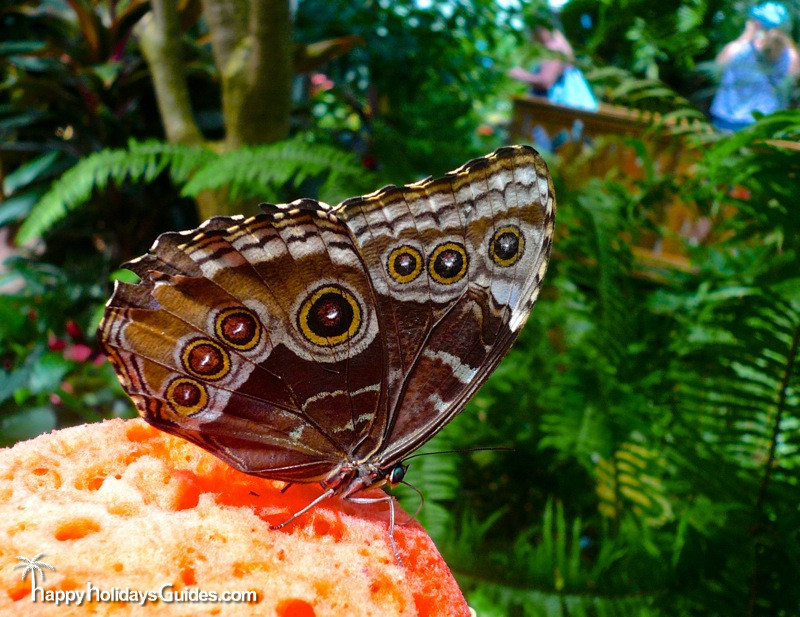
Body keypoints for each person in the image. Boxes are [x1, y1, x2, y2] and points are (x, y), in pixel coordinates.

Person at [709, 2, 800, 131]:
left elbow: (716, 70)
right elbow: (795, 75)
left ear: (755, 24)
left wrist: (746, 35)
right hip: (763, 126)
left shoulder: (737, 49)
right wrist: (787, 40)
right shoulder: (790, 56)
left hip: (729, 123)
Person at [508, 20, 598, 112]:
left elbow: (546, 81)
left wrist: (521, 75)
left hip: (555, 111)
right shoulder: (562, 46)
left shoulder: (553, 49)